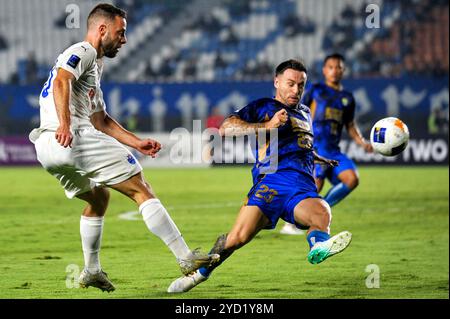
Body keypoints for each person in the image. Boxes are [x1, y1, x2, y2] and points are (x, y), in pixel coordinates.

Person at [28, 3, 218, 293]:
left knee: (99, 198)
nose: (124, 39)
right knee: (141, 187)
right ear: (102, 29)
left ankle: (91, 271)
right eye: (121, 32)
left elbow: (101, 119)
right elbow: (62, 81)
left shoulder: (94, 67)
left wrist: (136, 141)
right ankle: (185, 257)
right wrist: (66, 124)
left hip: (47, 149)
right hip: (71, 136)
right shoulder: (84, 51)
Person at [167, 59, 352, 293]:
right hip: (271, 184)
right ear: (277, 82)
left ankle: (318, 247)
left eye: (301, 85)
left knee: (322, 212)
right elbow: (227, 127)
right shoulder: (264, 106)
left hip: (302, 187)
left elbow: (299, 145)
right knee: (236, 240)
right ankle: (198, 275)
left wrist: (318, 157)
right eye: (290, 83)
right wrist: (268, 126)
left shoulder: (305, 113)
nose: (296, 90)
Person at [280, 53, 373, 235]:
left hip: (334, 151)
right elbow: (297, 110)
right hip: (314, 147)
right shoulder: (315, 90)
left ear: (343, 70)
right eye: (331, 67)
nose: (335, 70)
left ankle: (321, 210)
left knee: (352, 179)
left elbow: (350, 125)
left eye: (338, 67)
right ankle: (292, 223)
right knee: (316, 185)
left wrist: (362, 143)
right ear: (324, 70)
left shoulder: (347, 98)